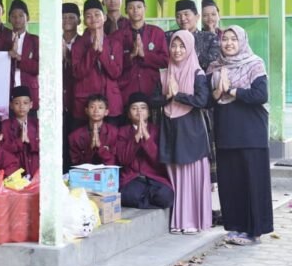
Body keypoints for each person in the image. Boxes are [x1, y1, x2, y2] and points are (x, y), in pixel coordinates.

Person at [207, 26, 273, 245]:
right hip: (226, 131)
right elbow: (208, 99)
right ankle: (235, 226)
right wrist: (218, 91)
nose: (228, 43)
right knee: (230, 181)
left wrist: (232, 91)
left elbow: (260, 95)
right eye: (225, 39)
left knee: (252, 181)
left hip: (250, 132)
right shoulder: (215, 67)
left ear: (242, 41)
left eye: (233, 39)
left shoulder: (255, 64)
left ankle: (253, 231)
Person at [159, 30, 212, 234]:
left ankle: (191, 220)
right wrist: (166, 94)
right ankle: (178, 220)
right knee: (175, 173)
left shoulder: (197, 73)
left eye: (182, 46)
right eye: (174, 45)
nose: (177, 50)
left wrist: (177, 95)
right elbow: (154, 99)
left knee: (190, 173)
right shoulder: (165, 73)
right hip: (171, 129)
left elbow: (202, 101)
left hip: (191, 130)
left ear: (189, 48)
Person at [115, 93, 173, 209]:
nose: (139, 112)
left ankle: (143, 201)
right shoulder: (122, 132)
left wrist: (147, 138)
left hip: (155, 178)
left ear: (149, 112)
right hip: (132, 178)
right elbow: (123, 160)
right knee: (127, 195)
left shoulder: (157, 130)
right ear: (129, 114)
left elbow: (159, 162)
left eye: (143, 108)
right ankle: (149, 202)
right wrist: (135, 139)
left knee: (166, 196)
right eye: (134, 108)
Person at [71, 0, 123, 126]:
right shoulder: (78, 44)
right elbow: (77, 73)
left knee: (111, 141)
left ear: (104, 17)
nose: (93, 18)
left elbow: (115, 73)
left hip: (110, 101)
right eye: (88, 16)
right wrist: (92, 51)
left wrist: (102, 51)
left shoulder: (114, 43)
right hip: (86, 102)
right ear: (84, 21)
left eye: (97, 14)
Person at [113, 0, 169, 104]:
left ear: (145, 8)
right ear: (125, 11)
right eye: (131, 7)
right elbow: (113, 65)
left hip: (152, 88)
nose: (135, 11)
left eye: (139, 7)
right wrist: (131, 55)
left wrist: (145, 55)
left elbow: (166, 61)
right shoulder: (117, 36)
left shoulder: (157, 33)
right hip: (126, 89)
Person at [165, 0, 220, 71]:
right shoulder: (168, 36)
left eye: (186, 14)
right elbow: (163, 59)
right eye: (178, 16)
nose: (182, 18)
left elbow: (213, 63)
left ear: (197, 17)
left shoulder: (210, 38)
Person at [6, 0, 39, 108]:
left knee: (31, 124)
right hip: (8, 92)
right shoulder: (2, 40)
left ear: (27, 18)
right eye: (14, 16)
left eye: (21, 16)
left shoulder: (35, 40)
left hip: (29, 93)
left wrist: (18, 57)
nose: (17, 19)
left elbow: (38, 68)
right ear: (9, 19)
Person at [1, 86, 39, 180]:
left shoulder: (38, 124)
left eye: (25, 103)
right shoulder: (4, 125)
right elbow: (1, 150)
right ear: (11, 105)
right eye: (17, 103)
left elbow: (47, 147)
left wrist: (30, 142)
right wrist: (19, 141)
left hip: (35, 169)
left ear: (31, 105)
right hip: (13, 171)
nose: (21, 106)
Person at [68, 94, 117, 166]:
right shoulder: (74, 136)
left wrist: (100, 148)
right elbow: (76, 164)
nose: (96, 111)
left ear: (106, 112)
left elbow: (114, 162)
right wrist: (90, 149)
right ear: (86, 110)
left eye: (100, 107)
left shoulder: (114, 132)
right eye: (92, 107)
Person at [62, 2, 80, 173]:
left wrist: (68, 57)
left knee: (75, 140)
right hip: (58, 100)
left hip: (77, 100)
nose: (67, 21)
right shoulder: (52, 43)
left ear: (79, 21)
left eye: (71, 17)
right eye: (64, 17)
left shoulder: (83, 42)